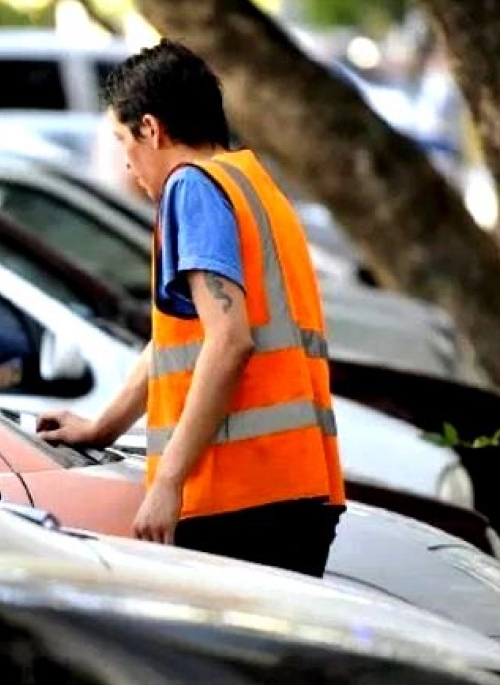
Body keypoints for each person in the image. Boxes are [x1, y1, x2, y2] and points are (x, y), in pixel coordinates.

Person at [36, 39, 346, 577]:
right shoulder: (251, 182)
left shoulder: (191, 188)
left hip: (238, 501)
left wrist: (168, 482)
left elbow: (229, 341)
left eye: (122, 140)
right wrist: (103, 428)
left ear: (151, 130)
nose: (127, 163)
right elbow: (184, 339)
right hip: (296, 492)